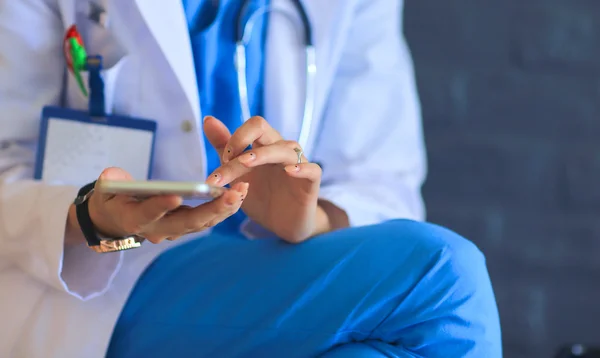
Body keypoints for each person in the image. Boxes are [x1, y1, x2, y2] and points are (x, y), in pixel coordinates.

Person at [0, 0, 502, 357]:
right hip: (105, 285)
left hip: (283, 264)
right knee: (443, 278)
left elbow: (382, 179)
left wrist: (310, 219)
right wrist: (96, 220)